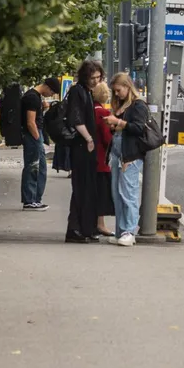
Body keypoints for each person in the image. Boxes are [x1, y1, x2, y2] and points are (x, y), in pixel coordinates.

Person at [105, 72, 149, 247]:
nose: (116, 94)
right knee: (117, 194)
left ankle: (128, 231)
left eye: (118, 90)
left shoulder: (137, 106)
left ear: (127, 87)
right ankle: (120, 231)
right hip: (118, 153)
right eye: (114, 91)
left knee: (127, 193)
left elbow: (139, 128)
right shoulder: (122, 106)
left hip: (130, 155)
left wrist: (119, 122)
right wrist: (114, 125)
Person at [65, 61, 104, 243]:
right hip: (82, 145)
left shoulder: (84, 91)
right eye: (93, 77)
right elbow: (76, 118)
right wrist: (88, 139)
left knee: (86, 187)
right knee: (82, 187)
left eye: (98, 77)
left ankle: (84, 227)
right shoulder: (78, 91)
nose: (96, 81)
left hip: (84, 145)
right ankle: (76, 228)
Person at [20, 78, 57, 210]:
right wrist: (37, 138)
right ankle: (30, 199)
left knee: (39, 167)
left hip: (34, 134)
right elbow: (30, 122)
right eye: (52, 92)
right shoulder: (32, 98)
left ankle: (34, 198)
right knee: (34, 167)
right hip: (33, 135)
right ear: (47, 87)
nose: (51, 95)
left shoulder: (34, 97)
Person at [92, 83, 116, 237]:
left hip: (90, 156)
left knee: (92, 192)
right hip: (102, 159)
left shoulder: (89, 111)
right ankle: (100, 224)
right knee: (101, 194)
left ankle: (94, 223)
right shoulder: (103, 112)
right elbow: (108, 139)